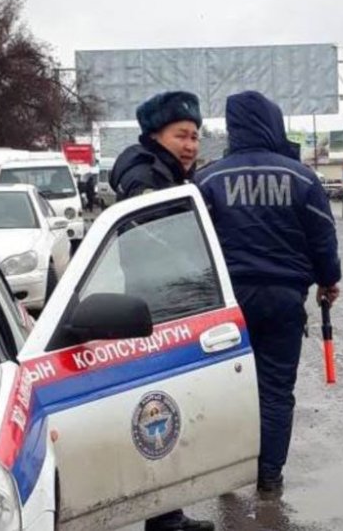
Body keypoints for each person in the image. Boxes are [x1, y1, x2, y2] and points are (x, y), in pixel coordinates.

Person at [194, 91, 341, 494]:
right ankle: (269, 475)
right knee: (275, 390)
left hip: (227, 305)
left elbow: (190, 245)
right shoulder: (302, 178)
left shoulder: (207, 180)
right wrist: (328, 280)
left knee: (227, 390)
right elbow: (323, 237)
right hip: (283, 300)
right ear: (273, 124)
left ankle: (227, 473)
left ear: (234, 127)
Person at [108, 90, 212, 531]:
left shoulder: (167, 173)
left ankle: (169, 512)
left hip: (169, 304)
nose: (190, 145)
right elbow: (163, 246)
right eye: (180, 135)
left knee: (170, 412)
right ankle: (164, 518)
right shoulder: (146, 178)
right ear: (155, 135)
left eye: (194, 136)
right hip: (160, 309)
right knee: (160, 416)